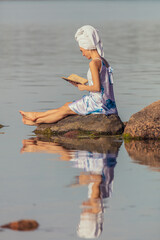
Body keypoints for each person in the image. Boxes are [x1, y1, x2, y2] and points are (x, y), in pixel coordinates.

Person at [19, 25, 118, 125]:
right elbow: (103, 84)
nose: (83, 54)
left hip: (99, 105)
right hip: (108, 104)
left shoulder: (93, 63)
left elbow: (97, 88)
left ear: (87, 47)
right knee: (67, 105)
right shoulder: (104, 61)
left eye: (82, 50)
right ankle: (36, 115)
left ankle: (36, 121)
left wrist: (82, 87)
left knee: (65, 110)